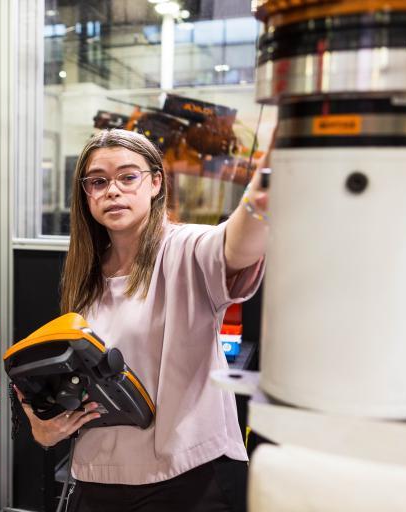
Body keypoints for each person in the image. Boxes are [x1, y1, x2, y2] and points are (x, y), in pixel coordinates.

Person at [18, 128, 269, 512]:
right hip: (97, 477)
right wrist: (43, 423)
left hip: (189, 480)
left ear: (155, 183)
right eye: (98, 181)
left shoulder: (185, 250)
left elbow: (236, 245)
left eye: (127, 176)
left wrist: (264, 192)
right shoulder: (86, 276)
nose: (112, 190)